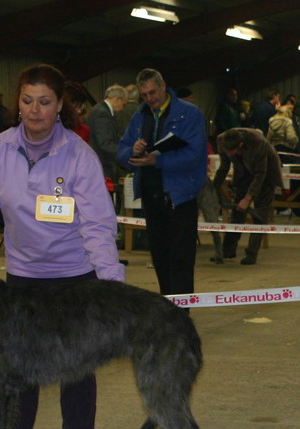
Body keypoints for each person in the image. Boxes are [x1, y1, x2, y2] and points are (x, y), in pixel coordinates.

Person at [0, 63, 125, 429]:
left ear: (60, 105)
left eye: (45, 102)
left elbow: (99, 225)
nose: (35, 110)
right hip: (24, 278)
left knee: (77, 367)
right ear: (19, 103)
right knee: (17, 369)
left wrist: (110, 282)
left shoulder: (79, 156)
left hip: (75, 277)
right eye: (27, 101)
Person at [117, 68, 207, 296]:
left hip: (180, 197)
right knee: (159, 256)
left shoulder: (190, 114)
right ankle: (167, 308)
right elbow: (121, 149)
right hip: (151, 196)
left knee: (181, 258)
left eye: (153, 92)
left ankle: (182, 311)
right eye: (144, 95)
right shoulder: (139, 115)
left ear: (163, 86)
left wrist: (156, 162)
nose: (149, 99)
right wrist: (132, 151)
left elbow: (195, 154)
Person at [213, 128, 283, 265]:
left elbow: (260, 174)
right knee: (237, 213)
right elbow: (223, 167)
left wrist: (247, 198)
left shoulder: (258, 143)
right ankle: (227, 251)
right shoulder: (221, 140)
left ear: (239, 146)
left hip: (266, 175)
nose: (227, 154)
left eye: (230, 152)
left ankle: (251, 254)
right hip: (243, 174)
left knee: (260, 215)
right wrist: (213, 189)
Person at [86, 84, 128, 181]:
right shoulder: (103, 113)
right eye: (124, 105)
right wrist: (126, 154)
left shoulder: (98, 109)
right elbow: (105, 144)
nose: (123, 109)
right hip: (103, 167)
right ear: (117, 99)